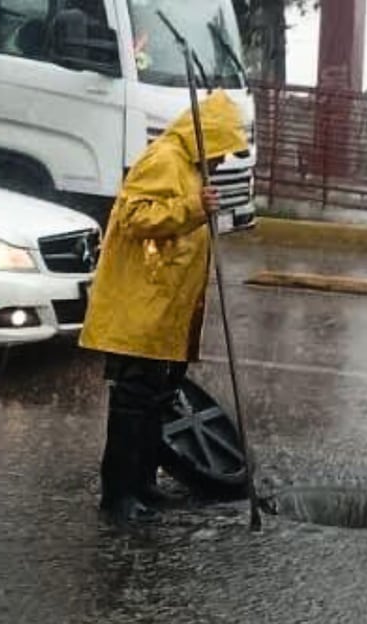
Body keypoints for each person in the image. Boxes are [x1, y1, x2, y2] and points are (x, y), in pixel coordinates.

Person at [80, 90, 248, 524]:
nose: (223, 161)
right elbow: (134, 216)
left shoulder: (190, 166)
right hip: (140, 309)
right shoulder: (165, 160)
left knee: (155, 401)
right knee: (132, 404)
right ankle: (118, 496)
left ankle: (143, 486)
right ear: (206, 137)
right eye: (221, 150)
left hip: (163, 313)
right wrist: (194, 208)